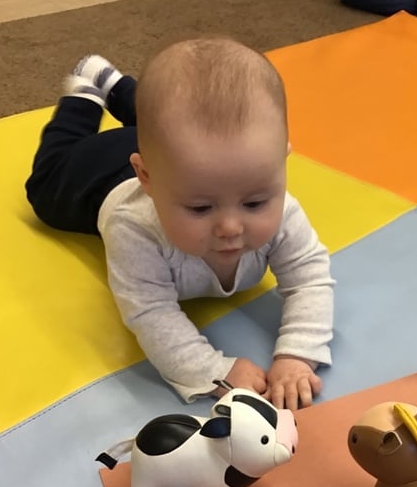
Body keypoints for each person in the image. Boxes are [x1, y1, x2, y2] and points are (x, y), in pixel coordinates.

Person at [25, 38, 335, 411]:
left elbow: (310, 277)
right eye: (201, 209)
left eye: (254, 202)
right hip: (97, 172)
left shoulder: (279, 208)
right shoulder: (135, 229)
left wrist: (297, 355)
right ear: (147, 178)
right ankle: (86, 95)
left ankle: (120, 88)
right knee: (44, 186)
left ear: (282, 163)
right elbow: (150, 312)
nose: (231, 227)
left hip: (178, 162)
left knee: (171, 125)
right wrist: (213, 369)